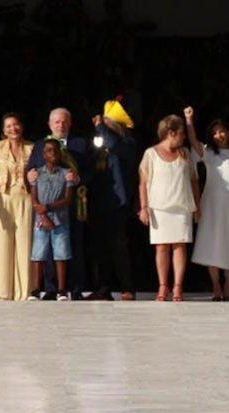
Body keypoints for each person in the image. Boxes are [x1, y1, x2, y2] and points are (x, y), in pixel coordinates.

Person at [27, 107, 91, 300]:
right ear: (49, 124)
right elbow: (32, 171)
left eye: (64, 122)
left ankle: (75, 288)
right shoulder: (40, 145)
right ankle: (50, 288)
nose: (60, 125)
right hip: (45, 208)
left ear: (70, 124)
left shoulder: (81, 144)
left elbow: (91, 170)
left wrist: (78, 178)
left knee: (73, 246)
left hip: (72, 205)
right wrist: (29, 175)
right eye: (56, 122)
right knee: (44, 250)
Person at [185, 107, 229, 301]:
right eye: (215, 132)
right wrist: (189, 121)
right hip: (210, 205)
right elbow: (193, 142)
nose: (219, 135)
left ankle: (228, 284)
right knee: (211, 244)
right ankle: (216, 286)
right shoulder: (209, 153)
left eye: (222, 131)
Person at [138, 114, 200, 302]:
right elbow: (143, 183)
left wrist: (197, 206)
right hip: (159, 207)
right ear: (170, 133)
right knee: (162, 248)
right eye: (181, 134)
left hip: (182, 206)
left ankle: (178, 287)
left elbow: (194, 180)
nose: (183, 138)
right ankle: (163, 286)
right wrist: (144, 207)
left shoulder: (185, 153)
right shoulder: (151, 153)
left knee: (180, 246)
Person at [85, 98, 137, 301]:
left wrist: (99, 125)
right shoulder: (102, 142)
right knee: (99, 247)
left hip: (118, 202)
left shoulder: (126, 143)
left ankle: (128, 287)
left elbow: (114, 144)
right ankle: (102, 288)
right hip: (99, 199)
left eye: (107, 125)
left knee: (119, 246)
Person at [0, 112, 34, 301]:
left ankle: (26, 291)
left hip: (25, 197)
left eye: (16, 125)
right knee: (2, 242)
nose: (13, 129)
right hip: (2, 198)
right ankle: (2, 291)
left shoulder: (32, 147)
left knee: (25, 242)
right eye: (8, 126)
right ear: (3, 131)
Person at [28, 139, 74, 301]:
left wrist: (47, 208)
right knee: (38, 255)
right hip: (41, 222)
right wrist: (43, 215)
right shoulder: (37, 174)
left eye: (55, 150)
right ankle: (36, 289)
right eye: (49, 150)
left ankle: (61, 289)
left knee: (60, 255)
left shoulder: (66, 173)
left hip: (60, 220)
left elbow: (68, 199)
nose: (52, 153)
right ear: (43, 154)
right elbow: (34, 200)